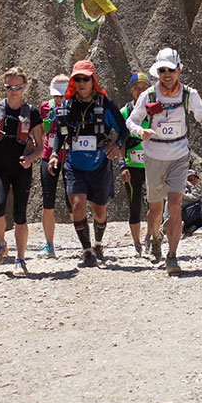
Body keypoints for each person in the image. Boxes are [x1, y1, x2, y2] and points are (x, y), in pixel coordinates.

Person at [126, 48, 202, 275]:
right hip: (154, 156)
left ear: (179, 70)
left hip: (179, 154)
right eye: (162, 70)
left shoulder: (189, 95)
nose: (167, 74)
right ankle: (155, 238)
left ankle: (172, 255)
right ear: (158, 71)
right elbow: (131, 121)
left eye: (171, 70)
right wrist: (140, 132)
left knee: (174, 206)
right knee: (155, 209)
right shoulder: (149, 95)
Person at [49, 60, 128, 266]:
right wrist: (55, 154)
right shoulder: (67, 106)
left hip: (99, 165)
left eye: (85, 79)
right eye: (77, 79)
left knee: (99, 210)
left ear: (93, 81)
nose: (82, 83)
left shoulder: (106, 105)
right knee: (77, 206)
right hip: (74, 165)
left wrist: (115, 145)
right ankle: (86, 251)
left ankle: (98, 243)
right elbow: (59, 132)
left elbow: (124, 130)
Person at [0, 67, 44, 276]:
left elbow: (40, 145)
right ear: (4, 86)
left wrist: (31, 159)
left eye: (17, 87)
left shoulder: (32, 113)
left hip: (21, 168)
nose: (13, 91)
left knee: (20, 215)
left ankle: (21, 259)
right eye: (9, 86)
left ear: (24, 86)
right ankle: (1, 244)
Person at [117, 71, 151, 256]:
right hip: (132, 165)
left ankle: (150, 237)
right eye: (136, 89)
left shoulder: (154, 110)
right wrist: (122, 165)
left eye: (143, 88)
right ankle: (137, 243)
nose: (140, 92)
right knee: (134, 204)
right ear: (131, 90)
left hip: (153, 163)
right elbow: (119, 142)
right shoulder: (125, 112)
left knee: (154, 204)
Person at [36, 74, 69, 258]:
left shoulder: (73, 107)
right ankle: (49, 245)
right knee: (48, 200)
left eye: (62, 95)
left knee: (73, 201)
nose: (59, 99)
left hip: (70, 157)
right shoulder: (45, 108)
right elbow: (41, 131)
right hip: (48, 156)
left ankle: (84, 243)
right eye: (56, 95)